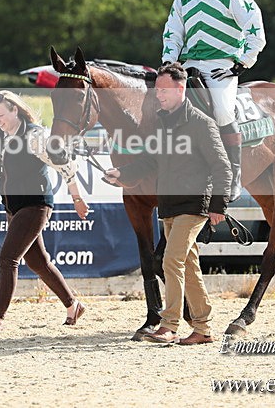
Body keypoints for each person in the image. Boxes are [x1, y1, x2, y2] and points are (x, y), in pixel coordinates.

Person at [105, 63, 231, 344]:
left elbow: (222, 166)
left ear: (180, 88)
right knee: (188, 264)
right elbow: (150, 160)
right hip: (170, 207)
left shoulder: (201, 123)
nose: (158, 96)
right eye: (156, 90)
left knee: (170, 261)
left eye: (163, 90)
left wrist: (218, 205)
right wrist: (122, 174)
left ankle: (169, 325)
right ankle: (203, 328)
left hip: (193, 205)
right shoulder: (162, 123)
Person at [0, 90, 90, 332]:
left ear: (15, 110)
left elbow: (65, 164)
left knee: (8, 257)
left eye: (1, 114)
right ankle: (73, 305)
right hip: (13, 206)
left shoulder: (35, 135)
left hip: (36, 204)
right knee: (38, 262)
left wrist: (77, 197)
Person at [160, 0, 266, 201]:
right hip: (186, 66)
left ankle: (234, 175)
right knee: (158, 107)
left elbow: (256, 32)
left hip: (222, 67)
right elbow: (173, 34)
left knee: (221, 110)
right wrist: (168, 63)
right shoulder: (182, 0)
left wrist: (242, 63)